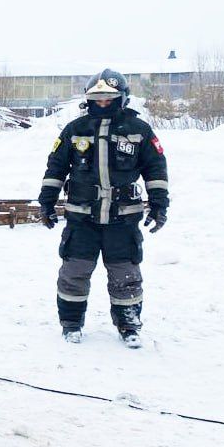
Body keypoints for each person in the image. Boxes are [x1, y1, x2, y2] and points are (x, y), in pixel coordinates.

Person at [38, 68, 169, 347]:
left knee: (126, 276)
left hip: (124, 220)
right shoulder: (75, 130)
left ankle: (129, 325)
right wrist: (47, 201)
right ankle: (71, 324)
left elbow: (156, 169)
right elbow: (56, 167)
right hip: (82, 218)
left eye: (109, 98)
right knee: (74, 273)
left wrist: (159, 205)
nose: (102, 103)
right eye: (97, 98)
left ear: (122, 98)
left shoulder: (139, 130)